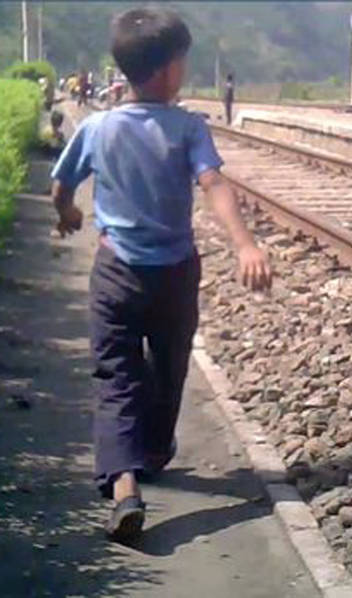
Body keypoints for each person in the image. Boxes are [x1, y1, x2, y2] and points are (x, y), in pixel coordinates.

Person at [50, 7, 272, 542]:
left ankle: (124, 485)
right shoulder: (188, 128)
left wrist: (68, 214)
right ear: (170, 69)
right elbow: (214, 184)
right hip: (174, 274)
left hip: (115, 273)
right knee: (169, 369)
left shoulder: (97, 127)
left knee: (116, 377)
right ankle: (151, 449)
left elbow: (61, 187)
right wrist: (245, 244)